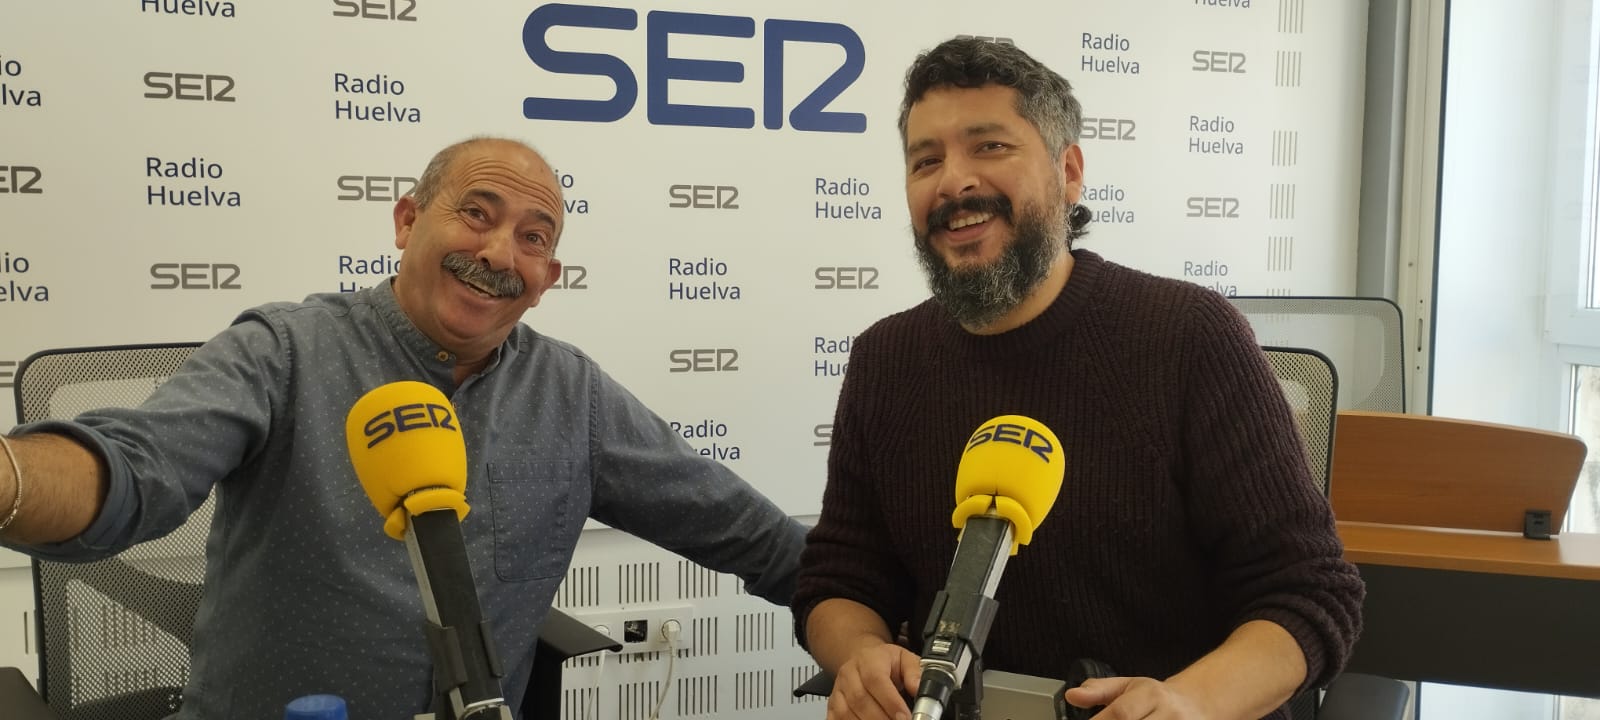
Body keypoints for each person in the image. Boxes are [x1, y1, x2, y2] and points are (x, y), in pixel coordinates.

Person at [0, 137, 807, 719]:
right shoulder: (285, 351)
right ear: (407, 220)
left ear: (546, 281)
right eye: (476, 214)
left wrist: (882, 620)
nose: (498, 253)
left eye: (533, 238)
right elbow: (137, 470)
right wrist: (12, 480)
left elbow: (740, 529)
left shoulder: (573, 396)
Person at [792, 38, 1365, 720]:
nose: (953, 181)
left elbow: (1309, 593)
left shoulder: (1188, 337)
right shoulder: (886, 360)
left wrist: (1189, 702)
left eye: (989, 146)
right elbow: (840, 578)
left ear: (1069, 172)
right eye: (926, 161)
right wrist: (858, 652)